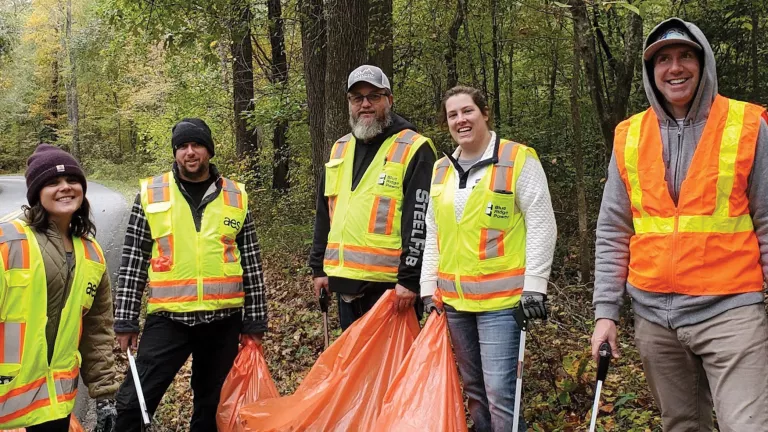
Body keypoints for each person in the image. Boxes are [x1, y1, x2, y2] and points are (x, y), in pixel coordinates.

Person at [591, 18, 768, 431]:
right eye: (663, 60)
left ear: (702, 62)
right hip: (655, 319)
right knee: (682, 426)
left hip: (731, 313)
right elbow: (614, 229)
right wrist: (606, 314)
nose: (675, 68)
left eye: (685, 55)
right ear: (651, 72)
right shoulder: (630, 134)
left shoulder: (747, 126)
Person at [113, 118, 268, 431]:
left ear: (208, 151)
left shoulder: (236, 196)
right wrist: (126, 320)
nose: (190, 152)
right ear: (175, 153)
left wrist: (255, 321)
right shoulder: (152, 194)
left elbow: (251, 261)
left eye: (197, 145)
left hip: (223, 320)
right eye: (182, 146)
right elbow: (133, 258)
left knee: (212, 407)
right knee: (134, 401)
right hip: (169, 319)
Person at [421, 86, 556, 431]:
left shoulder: (517, 159)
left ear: (484, 113)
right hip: (455, 303)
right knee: (476, 392)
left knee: (500, 395)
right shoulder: (440, 170)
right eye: (452, 115)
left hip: (502, 303)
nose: (460, 120)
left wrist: (535, 287)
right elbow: (432, 233)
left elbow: (542, 223)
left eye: (467, 111)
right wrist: (427, 287)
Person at [309, 65, 437, 330]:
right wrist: (319, 268)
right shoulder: (340, 148)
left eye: (374, 96)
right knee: (356, 371)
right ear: (349, 104)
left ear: (389, 100)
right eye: (357, 98)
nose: (365, 104)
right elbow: (326, 211)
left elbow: (421, 220)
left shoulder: (415, 148)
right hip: (344, 284)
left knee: (391, 371)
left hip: (392, 290)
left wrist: (410, 279)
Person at [0, 144, 118, 431]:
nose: (65, 187)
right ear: (36, 193)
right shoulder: (8, 240)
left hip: (54, 405)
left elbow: (97, 329)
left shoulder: (92, 253)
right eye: (52, 182)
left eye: (72, 180)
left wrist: (104, 396)